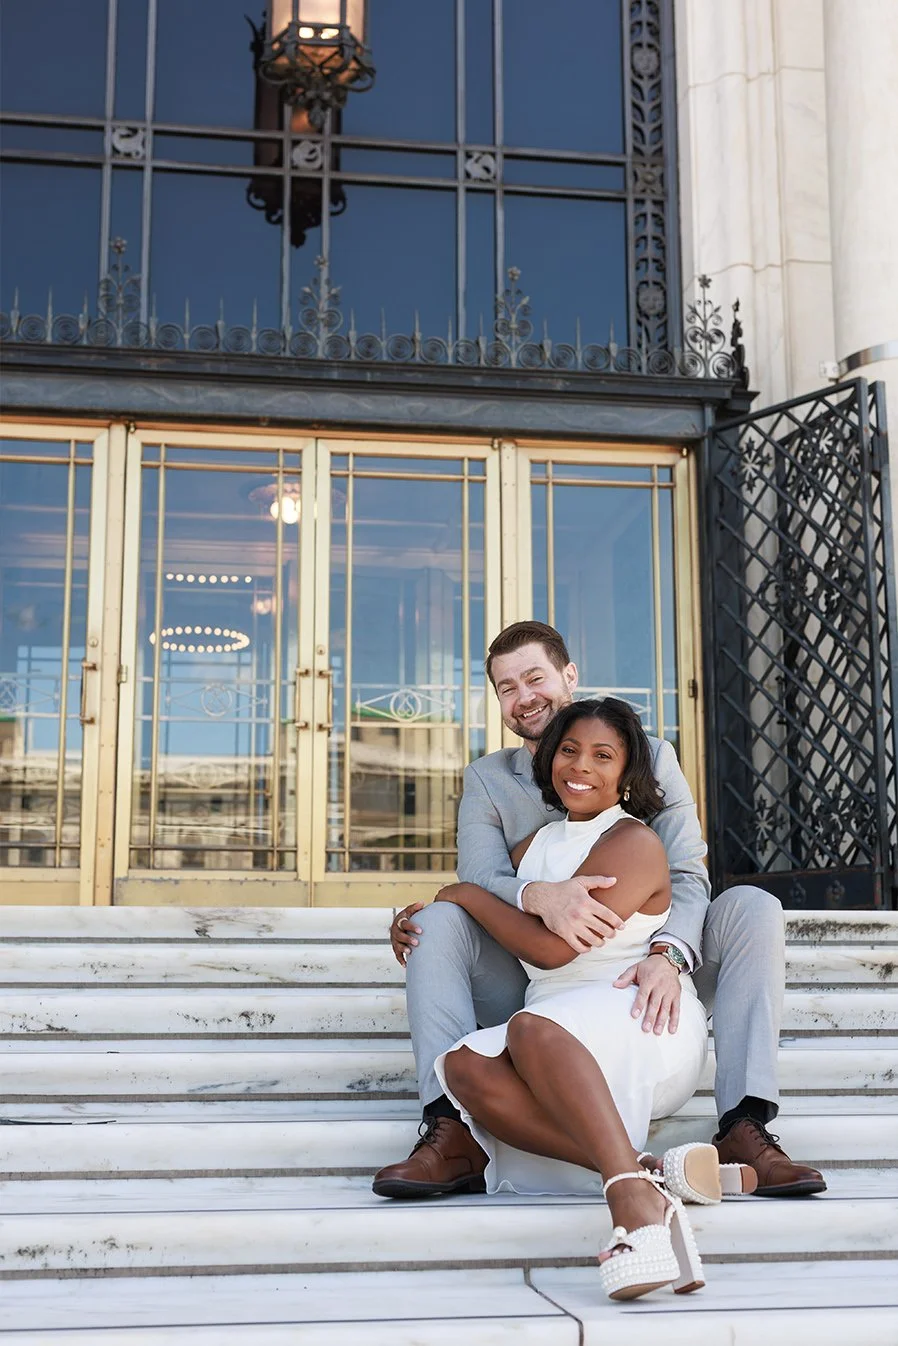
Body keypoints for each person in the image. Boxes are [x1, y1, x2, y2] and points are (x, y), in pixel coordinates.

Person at [374, 622, 826, 1200]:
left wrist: (670, 955)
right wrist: (536, 894)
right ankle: (450, 1130)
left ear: (569, 676)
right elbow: (481, 876)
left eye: (535, 677)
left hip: (638, 966)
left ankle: (745, 1125)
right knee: (436, 924)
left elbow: (686, 873)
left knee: (751, 908)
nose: (525, 696)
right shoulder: (489, 778)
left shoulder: (651, 757)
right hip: (533, 974)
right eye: (507, 688)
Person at [433, 697, 711, 1300]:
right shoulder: (537, 846)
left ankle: (634, 1212)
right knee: (463, 1066)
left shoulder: (634, 842)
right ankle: (641, 1173)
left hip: (638, 1010)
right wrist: (426, 912)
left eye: (602, 755)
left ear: (628, 773)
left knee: (527, 1029)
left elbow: (554, 949)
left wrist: (461, 893)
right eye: (569, 750)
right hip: (559, 1021)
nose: (580, 766)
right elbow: (495, 901)